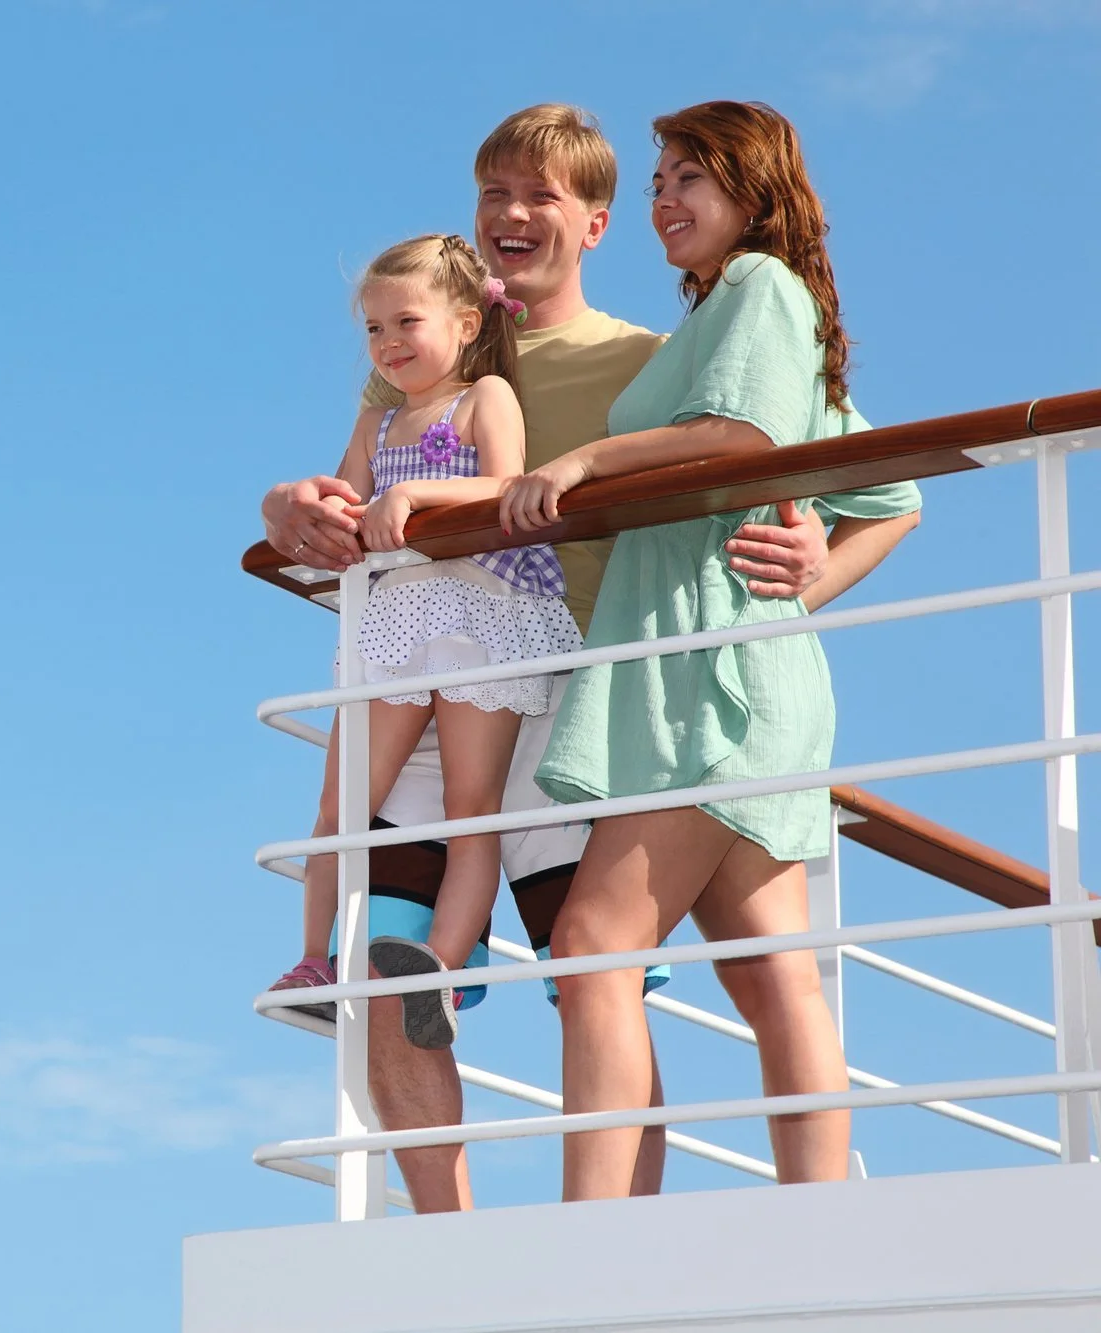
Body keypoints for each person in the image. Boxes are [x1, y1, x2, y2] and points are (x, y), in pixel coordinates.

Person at [260, 104, 920, 1213]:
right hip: (423, 682)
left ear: (593, 223)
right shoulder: (416, 347)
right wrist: (287, 502)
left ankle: (616, 1229)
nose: (511, 215)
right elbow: (349, 482)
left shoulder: (665, 349)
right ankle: (450, 1238)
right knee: (384, 966)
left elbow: (836, 462)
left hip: (582, 689)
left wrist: (807, 550)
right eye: (492, 195)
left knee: (588, 972)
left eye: (540, 197)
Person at [502, 100, 923, 1200]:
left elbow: (748, 441)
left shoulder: (756, 291)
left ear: (753, 192)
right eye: (656, 182)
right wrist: (805, 582)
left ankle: (594, 1227)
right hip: (722, 666)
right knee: (766, 968)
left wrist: (588, 459)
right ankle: (817, 1209)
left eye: (688, 177)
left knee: (594, 940)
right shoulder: (749, 317)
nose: (663, 200)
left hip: (705, 672)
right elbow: (885, 495)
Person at [268, 233, 584, 1052]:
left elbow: (504, 483)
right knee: (345, 804)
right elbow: (347, 498)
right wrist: (321, 506)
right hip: (396, 621)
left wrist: (412, 490)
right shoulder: (376, 418)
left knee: (471, 809)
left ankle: (439, 968)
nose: (389, 343)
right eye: (373, 329)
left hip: (480, 612)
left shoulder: (484, 399)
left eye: (405, 320)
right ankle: (314, 961)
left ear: (468, 322)